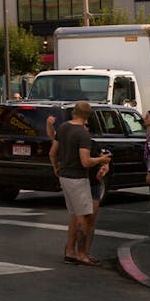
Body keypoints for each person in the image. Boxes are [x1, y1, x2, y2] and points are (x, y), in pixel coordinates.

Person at [49, 100, 113, 266]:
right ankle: (82, 254)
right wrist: (101, 159)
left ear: (73, 112)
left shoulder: (63, 127)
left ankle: (70, 252)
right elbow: (85, 162)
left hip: (65, 176)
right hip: (78, 178)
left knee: (75, 216)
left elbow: (52, 153)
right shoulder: (82, 134)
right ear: (87, 116)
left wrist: (56, 167)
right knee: (84, 218)